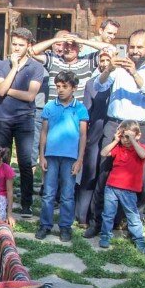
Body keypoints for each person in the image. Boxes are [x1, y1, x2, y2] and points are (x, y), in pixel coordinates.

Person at [84, 29, 145, 238]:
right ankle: (97, 221)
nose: (135, 51)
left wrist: (134, 73)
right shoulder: (118, 65)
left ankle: (130, 223)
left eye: (140, 47)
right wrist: (109, 69)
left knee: (139, 177)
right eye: (132, 46)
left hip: (141, 127)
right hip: (115, 124)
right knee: (105, 172)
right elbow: (99, 85)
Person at [0, 27, 46, 216]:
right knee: (2, 160)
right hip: (2, 117)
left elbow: (30, 95)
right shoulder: (1, 65)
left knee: (25, 162)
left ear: (28, 46)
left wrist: (6, 89)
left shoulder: (36, 67)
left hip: (24, 118)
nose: (16, 48)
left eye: (21, 45)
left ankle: (26, 203)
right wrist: (14, 68)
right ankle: (1, 198)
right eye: (14, 44)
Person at [37, 70, 88, 242]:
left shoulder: (80, 109)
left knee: (67, 194)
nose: (60, 90)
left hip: (70, 157)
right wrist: (41, 155)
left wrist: (80, 159)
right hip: (51, 156)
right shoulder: (49, 107)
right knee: (49, 193)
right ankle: (45, 224)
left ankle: (65, 226)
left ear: (74, 88)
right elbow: (43, 132)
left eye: (65, 86)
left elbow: (83, 136)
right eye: (58, 86)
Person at [99, 121, 145, 253]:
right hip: (111, 187)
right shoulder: (118, 148)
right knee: (108, 214)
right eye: (123, 136)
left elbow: (143, 155)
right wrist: (116, 140)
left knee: (132, 215)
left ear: (138, 135)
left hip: (129, 190)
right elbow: (104, 153)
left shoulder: (140, 148)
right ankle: (105, 235)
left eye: (128, 136)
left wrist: (133, 140)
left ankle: (139, 239)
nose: (125, 140)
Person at [76, 49, 114, 225]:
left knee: (106, 173)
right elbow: (87, 110)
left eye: (108, 60)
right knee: (90, 171)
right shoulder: (92, 83)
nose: (105, 63)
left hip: (113, 128)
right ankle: (82, 213)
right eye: (102, 60)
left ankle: (99, 215)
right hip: (95, 130)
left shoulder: (119, 81)